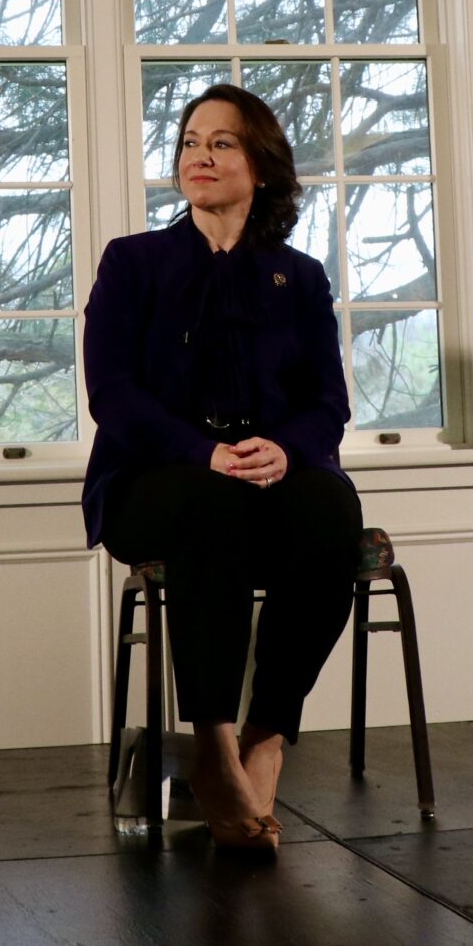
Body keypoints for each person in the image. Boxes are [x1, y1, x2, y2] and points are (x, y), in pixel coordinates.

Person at [82, 84, 360, 857]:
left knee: (332, 510)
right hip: (155, 476)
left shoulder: (300, 277)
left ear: (261, 166)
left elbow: (328, 403)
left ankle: (265, 736)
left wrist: (286, 449)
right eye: (189, 142)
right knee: (213, 505)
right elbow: (112, 394)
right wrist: (201, 451)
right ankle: (212, 741)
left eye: (221, 142)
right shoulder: (133, 262)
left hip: (267, 473)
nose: (198, 155)